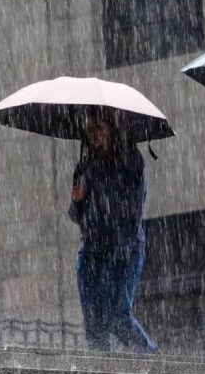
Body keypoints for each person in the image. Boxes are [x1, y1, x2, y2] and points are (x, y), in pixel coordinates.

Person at [68, 111, 159, 354]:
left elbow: (134, 212)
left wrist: (119, 252)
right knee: (94, 322)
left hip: (123, 250)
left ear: (112, 129)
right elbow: (76, 216)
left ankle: (153, 358)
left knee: (117, 315)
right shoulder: (85, 166)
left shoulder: (130, 163)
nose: (94, 133)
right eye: (90, 128)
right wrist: (77, 200)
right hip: (90, 251)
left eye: (99, 127)